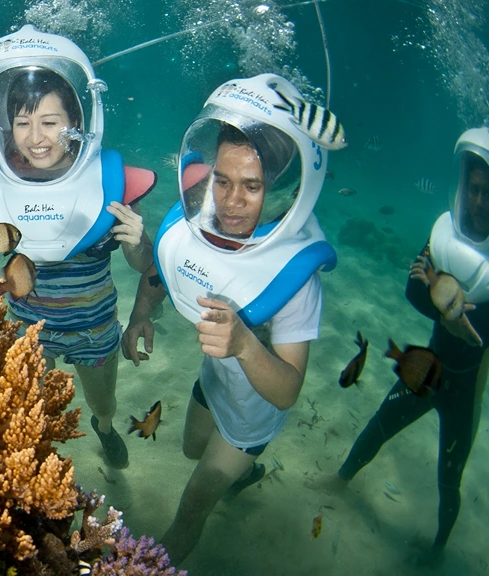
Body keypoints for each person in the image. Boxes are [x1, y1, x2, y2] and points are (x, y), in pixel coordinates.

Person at [127, 74, 338, 564]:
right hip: (214, 384)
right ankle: (247, 473)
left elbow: (287, 390)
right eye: (221, 180)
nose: (231, 200)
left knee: (192, 507)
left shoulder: (294, 275)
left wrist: (244, 343)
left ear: (282, 189)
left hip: (252, 415)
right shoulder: (200, 224)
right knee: (188, 451)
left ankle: (153, 566)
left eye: (252, 186)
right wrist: (141, 313)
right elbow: (166, 266)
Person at [0, 26, 160, 469]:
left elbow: (145, 266)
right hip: (28, 325)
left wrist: (140, 242)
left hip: (95, 327)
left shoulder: (109, 183)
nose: (35, 137)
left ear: (77, 124)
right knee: (26, 410)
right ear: (4, 125)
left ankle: (103, 426)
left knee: (103, 403)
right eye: (22, 122)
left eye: (50, 122)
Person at [313, 127, 489, 566]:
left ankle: (437, 550)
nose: (480, 203)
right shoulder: (443, 236)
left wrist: (445, 303)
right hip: (429, 367)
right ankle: (339, 479)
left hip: (466, 388)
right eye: (474, 190)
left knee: (450, 477)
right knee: (382, 420)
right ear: (463, 188)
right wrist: (448, 309)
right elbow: (411, 293)